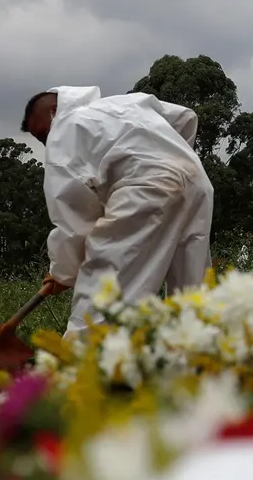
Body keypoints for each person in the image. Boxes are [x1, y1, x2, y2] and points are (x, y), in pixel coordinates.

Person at [21, 86, 214, 333]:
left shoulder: (64, 131)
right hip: (196, 181)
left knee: (104, 299)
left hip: (145, 188)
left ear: (55, 111)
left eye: (42, 133)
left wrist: (61, 273)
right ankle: (197, 363)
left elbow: (73, 223)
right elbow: (185, 117)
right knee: (191, 297)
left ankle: (80, 366)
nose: (46, 141)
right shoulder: (127, 103)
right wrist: (176, 163)